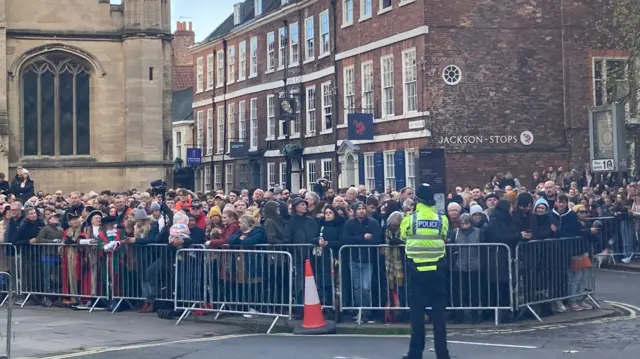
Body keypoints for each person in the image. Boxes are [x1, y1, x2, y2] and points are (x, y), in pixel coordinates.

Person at [399, 183, 450, 359]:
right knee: (439, 317)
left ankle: (415, 353)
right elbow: (444, 235)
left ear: (416, 199)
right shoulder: (441, 218)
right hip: (437, 271)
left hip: (416, 271)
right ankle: (443, 354)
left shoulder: (410, 219)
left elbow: (403, 235)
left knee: (417, 316)